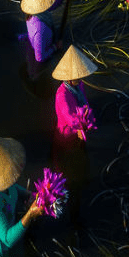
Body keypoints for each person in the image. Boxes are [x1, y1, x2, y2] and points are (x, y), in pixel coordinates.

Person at [51, 45, 98, 227]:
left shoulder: (79, 86)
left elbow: (85, 105)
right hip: (66, 137)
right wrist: (84, 125)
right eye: (78, 76)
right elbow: (71, 120)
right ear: (69, 77)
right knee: (68, 174)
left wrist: (90, 119)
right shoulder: (62, 96)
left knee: (81, 163)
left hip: (79, 134)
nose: (82, 78)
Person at [20, 0, 71, 65]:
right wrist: (55, 47)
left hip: (40, 39)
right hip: (44, 47)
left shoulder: (33, 11)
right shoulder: (40, 29)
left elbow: (52, 4)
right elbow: (39, 58)